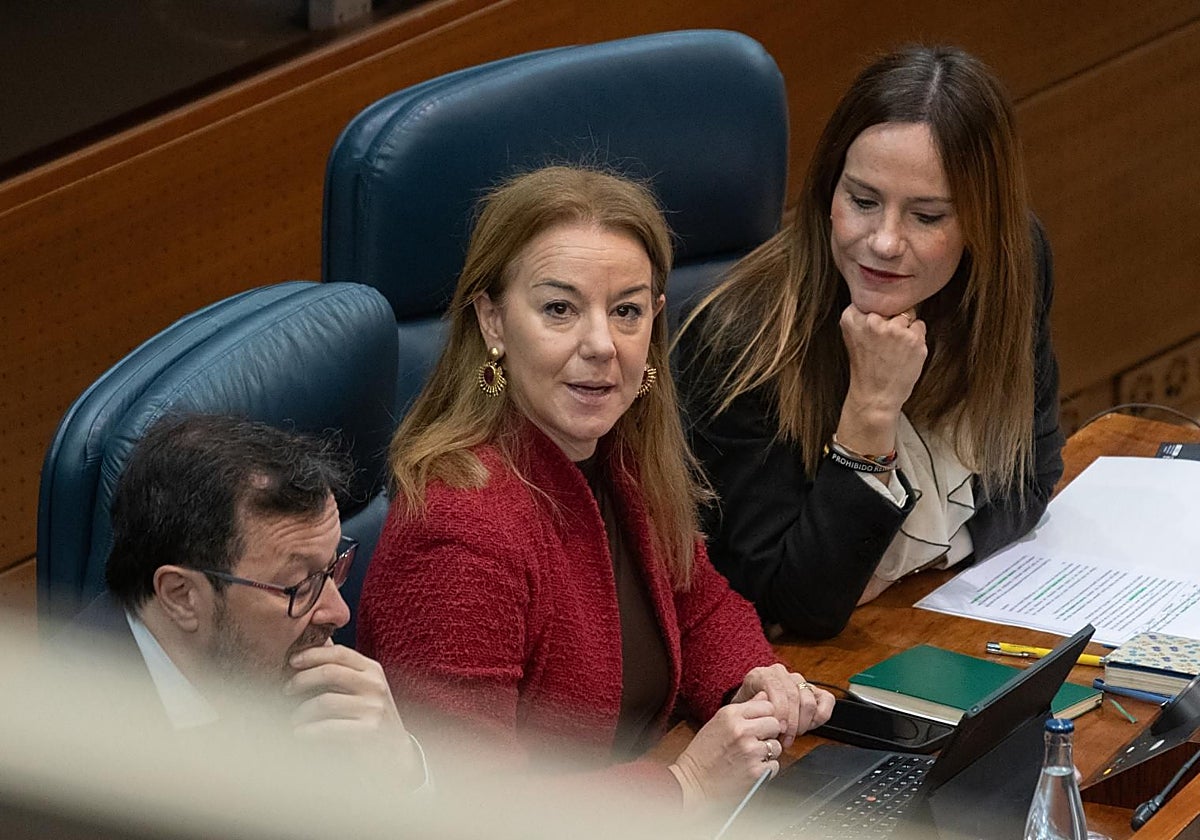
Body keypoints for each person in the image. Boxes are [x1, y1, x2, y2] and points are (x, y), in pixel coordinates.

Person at [357, 165, 833, 809]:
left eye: (627, 311)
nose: (603, 344)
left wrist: (752, 680)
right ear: (492, 321)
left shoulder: (619, 452)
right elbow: (472, 806)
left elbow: (698, 609)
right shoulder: (458, 530)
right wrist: (684, 785)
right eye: (560, 309)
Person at [674, 45, 1065, 640]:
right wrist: (871, 410)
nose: (883, 242)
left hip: (925, 618)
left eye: (926, 217)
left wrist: (903, 560)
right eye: (862, 201)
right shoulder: (740, 337)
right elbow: (792, 606)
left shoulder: (1013, 268)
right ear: (827, 194)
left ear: (982, 222)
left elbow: (1031, 477)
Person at [64, 413, 427, 789]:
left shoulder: (283, 676)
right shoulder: (67, 757)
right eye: (299, 585)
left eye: (332, 567)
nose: (339, 612)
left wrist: (403, 773)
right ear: (182, 596)